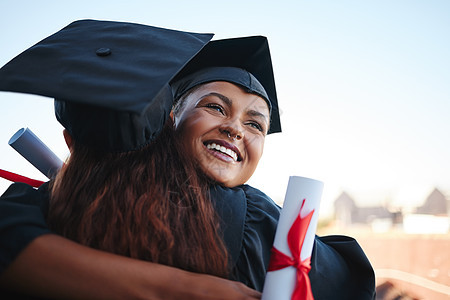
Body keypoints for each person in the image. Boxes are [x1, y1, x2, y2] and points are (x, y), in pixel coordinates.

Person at [0, 20, 376, 299]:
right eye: (214, 107)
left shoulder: (31, 207)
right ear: (169, 119)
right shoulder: (259, 221)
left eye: (255, 125)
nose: (236, 129)